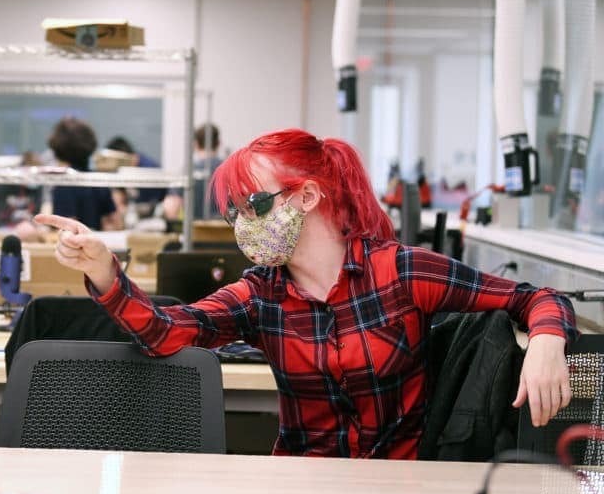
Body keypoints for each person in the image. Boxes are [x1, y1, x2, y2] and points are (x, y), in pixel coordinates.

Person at [35, 128, 577, 459]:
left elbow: (537, 297)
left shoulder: (401, 272)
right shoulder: (260, 295)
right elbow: (167, 333)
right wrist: (107, 273)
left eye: (256, 205)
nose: (243, 223)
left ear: (309, 195)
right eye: (235, 213)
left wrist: (549, 340)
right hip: (301, 487)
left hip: (403, 489)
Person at [47, 117, 122, 231]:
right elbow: (116, 223)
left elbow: (67, 231)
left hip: (76, 246)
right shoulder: (98, 182)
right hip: (95, 244)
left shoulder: (63, 185)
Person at [163, 122, 223, 221]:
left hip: (196, 232)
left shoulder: (187, 171)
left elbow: (171, 209)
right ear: (218, 143)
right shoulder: (229, 170)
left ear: (195, 144)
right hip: (225, 232)